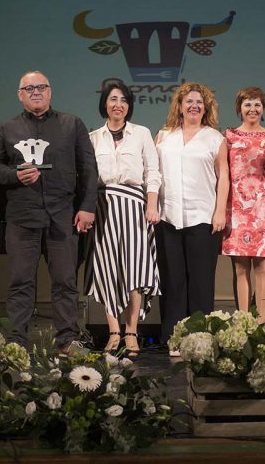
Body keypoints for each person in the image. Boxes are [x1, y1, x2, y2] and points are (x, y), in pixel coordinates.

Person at [0, 71, 97, 352]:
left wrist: (86, 208)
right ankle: (17, 342)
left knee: (65, 282)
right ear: (19, 94)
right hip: (22, 218)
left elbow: (88, 170)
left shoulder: (72, 124)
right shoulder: (6, 129)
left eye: (41, 87)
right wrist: (15, 175)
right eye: (29, 88)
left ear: (50, 91)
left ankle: (67, 340)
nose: (36, 92)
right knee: (21, 281)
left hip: (63, 216)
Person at [84, 80, 161, 356]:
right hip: (103, 207)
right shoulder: (93, 138)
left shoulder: (141, 133)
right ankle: (113, 331)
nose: (119, 105)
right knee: (107, 268)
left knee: (135, 269)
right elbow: (88, 178)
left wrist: (152, 205)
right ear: (104, 103)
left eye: (124, 100)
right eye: (113, 99)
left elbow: (153, 172)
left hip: (134, 206)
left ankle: (131, 332)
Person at [156, 82, 228, 350]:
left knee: (200, 281)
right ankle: (174, 339)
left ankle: (201, 340)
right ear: (180, 106)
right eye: (189, 102)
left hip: (203, 217)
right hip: (168, 217)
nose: (194, 106)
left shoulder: (215, 138)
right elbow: (153, 174)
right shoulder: (164, 136)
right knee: (173, 281)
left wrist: (220, 211)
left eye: (200, 102)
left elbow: (224, 179)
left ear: (206, 108)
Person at [222, 87, 265, 323]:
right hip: (237, 206)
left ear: (263, 109)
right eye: (247, 104)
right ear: (239, 108)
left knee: (264, 264)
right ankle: (243, 321)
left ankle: (261, 321)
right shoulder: (228, 136)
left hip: (264, 206)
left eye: (257, 104)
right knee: (240, 267)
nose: (253, 109)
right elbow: (223, 174)